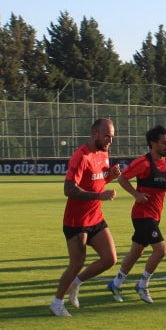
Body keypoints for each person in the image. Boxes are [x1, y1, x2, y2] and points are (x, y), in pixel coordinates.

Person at [51, 118, 121, 316]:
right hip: (76, 221)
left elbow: (96, 179)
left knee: (110, 258)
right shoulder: (81, 157)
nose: (110, 140)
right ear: (94, 134)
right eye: (106, 136)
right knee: (77, 262)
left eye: (112, 137)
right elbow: (69, 189)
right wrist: (99, 196)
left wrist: (110, 177)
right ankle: (56, 303)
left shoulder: (104, 153)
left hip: (95, 217)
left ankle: (76, 283)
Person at [108, 125, 166, 304]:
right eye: (163, 143)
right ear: (153, 143)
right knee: (161, 250)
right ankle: (142, 285)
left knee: (136, 252)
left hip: (155, 215)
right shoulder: (144, 162)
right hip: (142, 215)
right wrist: (136, 194)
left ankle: (116, 283)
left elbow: (165, 185)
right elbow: (122, 178)